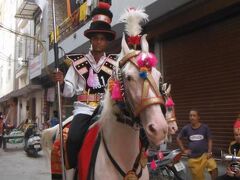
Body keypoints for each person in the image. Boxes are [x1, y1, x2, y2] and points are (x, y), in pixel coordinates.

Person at [53, 1, 116, 173]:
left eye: (102, 39)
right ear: (91, 39)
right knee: (73, 139)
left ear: (106, 42)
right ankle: (77, 169)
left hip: (107, 108)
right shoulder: (78, 62)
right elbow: (70, 89)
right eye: (95, 38)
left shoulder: (114, 63)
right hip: (84, 109)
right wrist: (61, 83)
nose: (98, 42)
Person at [177, 109, 218, 180]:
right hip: (193, 158)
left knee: (214, 167)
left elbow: (209, 139)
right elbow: (178, 138)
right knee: (198, 178)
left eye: (194, 115)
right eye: (190, 116)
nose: (192, 117)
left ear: (198, 117)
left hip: (204, 155)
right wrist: (183, 150)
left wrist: (209, 151)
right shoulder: (186, 128)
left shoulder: (205, 127)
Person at [216, 116, 240, 180]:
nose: (238, 137)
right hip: (233, 173)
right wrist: (229, 169)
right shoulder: (232, 145)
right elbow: (230, 162)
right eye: (236, 135)